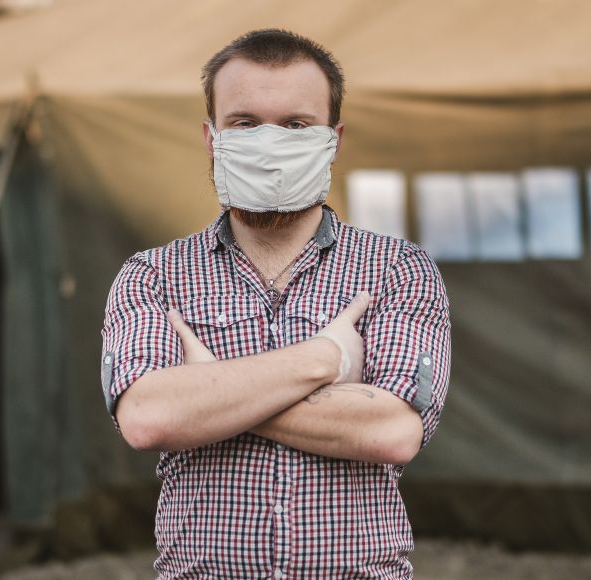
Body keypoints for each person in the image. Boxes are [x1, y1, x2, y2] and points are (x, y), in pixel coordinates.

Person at [101, 28, 451, 579]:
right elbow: (147, 418)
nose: (270, 143)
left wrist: (209, 390)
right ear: (211, 135)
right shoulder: (152, 276)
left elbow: (393, 432)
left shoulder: (397, 269)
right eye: (244, 123)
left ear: (333, 138)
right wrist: (320, 362)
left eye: (295, 125)